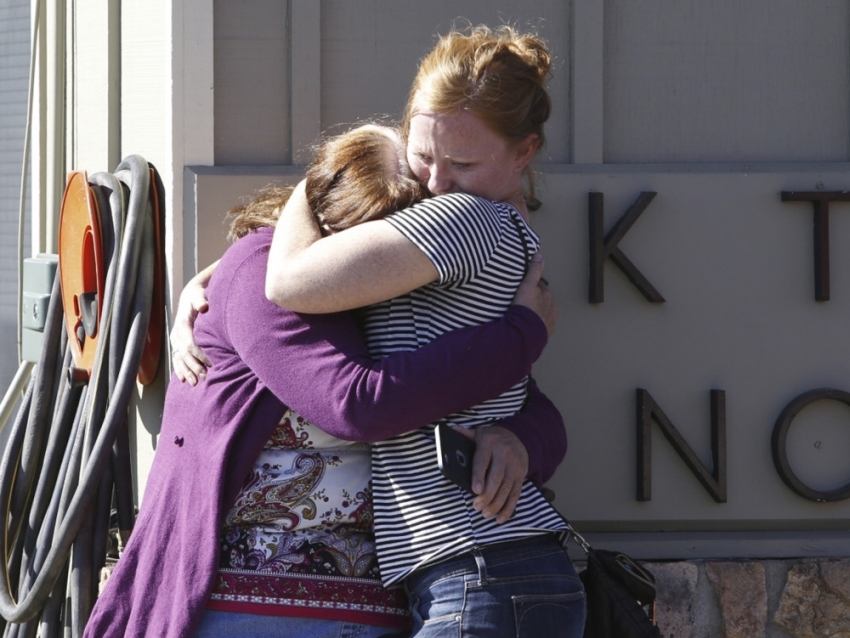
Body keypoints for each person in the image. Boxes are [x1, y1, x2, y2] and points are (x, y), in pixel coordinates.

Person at [84, 123, 563, 638]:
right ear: (338, 224)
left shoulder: (404, 302)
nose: (390, 261)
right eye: (378, 237)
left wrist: (521, 440)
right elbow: (354, 405)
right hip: (247, 608)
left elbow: (515, 399)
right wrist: (523, 332)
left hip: (394, 605)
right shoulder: (261, 274)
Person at [261, 25, 586, 637]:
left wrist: (313, 183)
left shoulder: (464, 219)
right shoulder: (495, 225)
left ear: (524, 153)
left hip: (483, 571)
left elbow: (288, 283)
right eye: (423, 154)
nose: (435, 182)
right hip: (486, 573)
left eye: (462, 162)